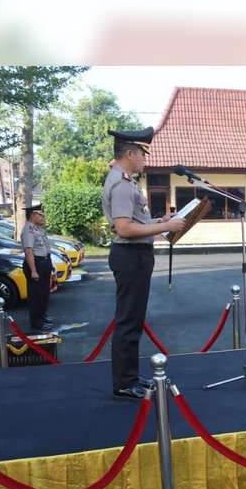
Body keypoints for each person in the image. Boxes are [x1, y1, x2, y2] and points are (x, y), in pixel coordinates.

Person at [102, 127, 185, 400]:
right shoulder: (123, 185)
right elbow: (124, 229)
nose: (145, 160)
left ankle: (129, 377)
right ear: (129, 154)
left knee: (132, 320)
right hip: (131, 256)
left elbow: (133, 223)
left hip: (134, 256)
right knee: (128, 321)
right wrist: (168, 225)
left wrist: (159, 223)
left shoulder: (122, 181)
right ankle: (124, 383)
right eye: (142, 154)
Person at [20, 204, 53, 332]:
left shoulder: (38, 228)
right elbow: (29, 251)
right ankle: (36, 323)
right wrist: (33, 270)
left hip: (44, 262)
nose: (43, 217)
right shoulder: (28, 229)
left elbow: (44, 247)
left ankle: (42, 316)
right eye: (40, 214)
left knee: (44, 293)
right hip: (35, 264)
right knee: (36, 295)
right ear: (32, 215)